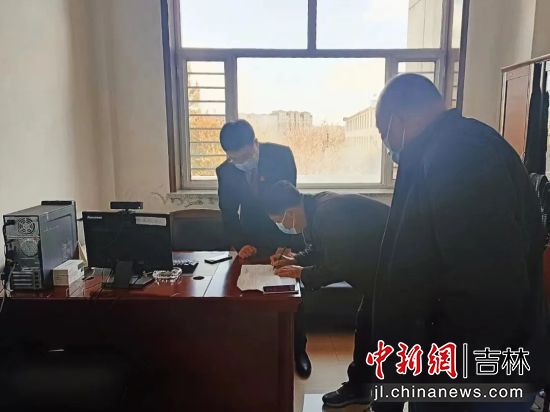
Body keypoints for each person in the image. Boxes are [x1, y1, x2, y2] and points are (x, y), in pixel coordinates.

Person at [370, 74, 546, 412]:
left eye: (382, 132)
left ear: (396, 122)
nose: (386, 144)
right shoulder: (461, 145)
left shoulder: (457, 158)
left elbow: (486, 285)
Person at [262, 180, 389, 407]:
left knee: (378, 331)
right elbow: (322, 249)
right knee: (367, 328)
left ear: (290, 213)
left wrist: (302, 273)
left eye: (279, 221)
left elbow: (338, 265)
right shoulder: (315, 208)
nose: (282, 226)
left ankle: (377, 393)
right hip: (379, 273)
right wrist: (295, 259)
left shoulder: (328, 214)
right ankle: (361, 388)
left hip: (394, 271)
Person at [215, 120, 308, 376]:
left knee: (292, 292)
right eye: (235, 159)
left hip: (283, 230)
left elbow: (289, 200)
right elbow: (228, 213)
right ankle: (258, 349)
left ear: (255, 143)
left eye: (246, 156)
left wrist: (286, 242)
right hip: (251, 238)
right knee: (249, 291)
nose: (241, 163)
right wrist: (241, 244)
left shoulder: (281, 155)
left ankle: (298, 350)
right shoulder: (225, 171)